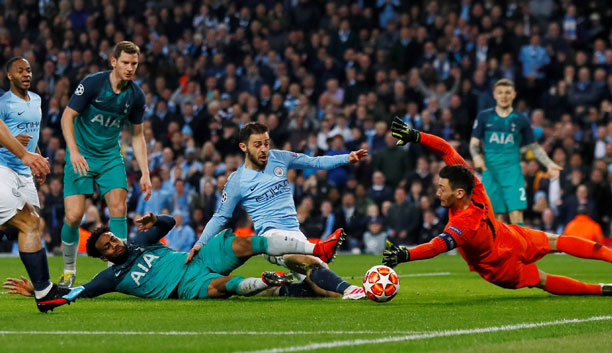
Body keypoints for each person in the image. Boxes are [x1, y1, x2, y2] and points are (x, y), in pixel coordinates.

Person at [385, 117, 612, 296]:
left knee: (542, 279)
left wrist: (405, 255)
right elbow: (445, 149)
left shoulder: (462, 224)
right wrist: (417, 136)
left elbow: (435, 248)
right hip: (510, 237)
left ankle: (603, 288)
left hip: (499, 266)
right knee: (556, 241)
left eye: (441, 188)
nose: (437, 192)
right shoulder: (475, 185)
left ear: (458, 192)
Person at [188, 122, 368, 300]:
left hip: (295, 233)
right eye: (257, 144)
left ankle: (279, 289)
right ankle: (351, 289)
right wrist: (200, 243)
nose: (264, 149)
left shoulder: (279, 158)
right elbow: (220, 216)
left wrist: (347, 158)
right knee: (305, 260)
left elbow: (315, 162)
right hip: (270, 237)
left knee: (326, 291)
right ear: (244, 147)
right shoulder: (237, 181)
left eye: (266, 143)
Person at [4, 213, 345, 301]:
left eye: (113, 238)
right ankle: (269, 282)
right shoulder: (110, 278)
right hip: (185, 284)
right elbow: (75, 294)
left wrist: (156, 221)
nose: (115, 244)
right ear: (101, 257)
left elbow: (171, 223)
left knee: (242, 243)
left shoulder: (138, 242)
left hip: (193, 258)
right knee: (223, 287)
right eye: (107, 247)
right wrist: (40, 290)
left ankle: (315, 248)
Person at [58, 41, 152, 287]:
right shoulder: (92, 84)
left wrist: (145, 172)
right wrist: (74, 152)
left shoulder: (136, 96)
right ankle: (69, 270)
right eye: (125, 63)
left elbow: (136, 135)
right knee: (74, 215)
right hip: (81, 155)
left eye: (134, 64)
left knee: (119, 208)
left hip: (110, 157)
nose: (130, 68)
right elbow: (67, 117)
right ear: (113, 62)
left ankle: (116, 271)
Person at [0, 56, 68, 312]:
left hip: (23, 172)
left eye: (29, 69)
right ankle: (44, 291)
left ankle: (43, 289)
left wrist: (35, 158)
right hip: (3, 168)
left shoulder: (37, 101)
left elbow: (33, 136)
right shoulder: (3, 102)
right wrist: (21, 150)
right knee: (27, 223)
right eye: (20, 70)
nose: (26, 74)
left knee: (30, 225)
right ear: (9, 76)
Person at [469, 79, 562, 226]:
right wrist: (476, 157)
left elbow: (534, 147)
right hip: (491, 171)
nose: (504, 96)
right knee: (495, 214)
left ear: (514, 95)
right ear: (494, 95)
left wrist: (549, 164)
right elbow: (474, 143)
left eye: (507, 92)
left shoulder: (521, 119)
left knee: (516, 212)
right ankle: (497, 248)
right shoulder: (484, 117)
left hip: (513, 172)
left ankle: (518, 247)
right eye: (500, 92)